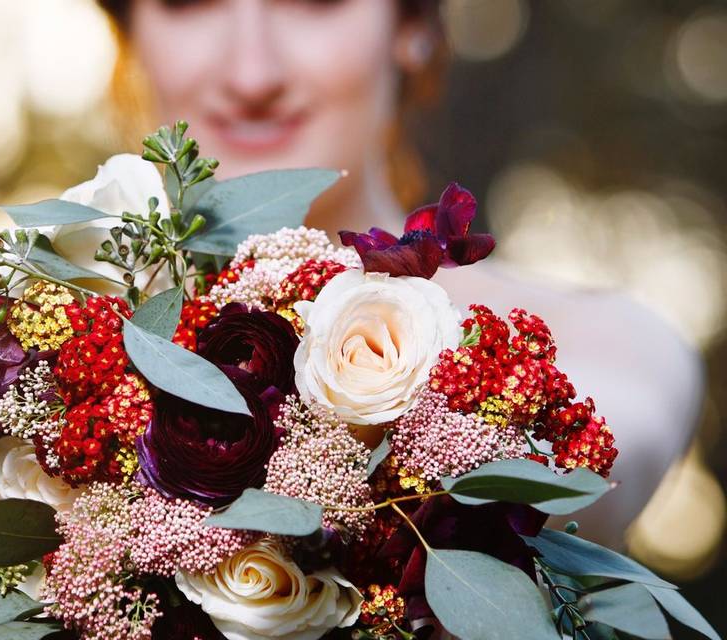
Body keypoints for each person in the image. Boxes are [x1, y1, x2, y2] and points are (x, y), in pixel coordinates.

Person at [97, 0, 703, 547]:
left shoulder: (601, 341)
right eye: (190, 2)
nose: (251, 74)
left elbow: (598, 466)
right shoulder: (37, 360)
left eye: (312, 3)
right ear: (130, 32)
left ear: (411, 25)